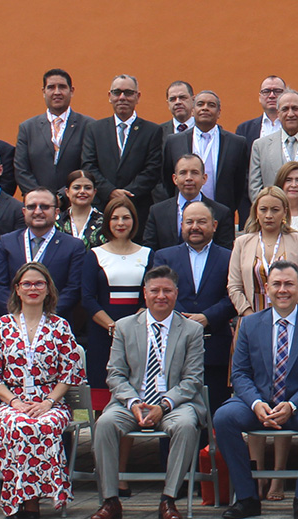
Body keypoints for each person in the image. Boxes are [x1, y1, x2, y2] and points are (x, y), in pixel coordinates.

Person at [214, 260, 298, 519]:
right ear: (267, 288)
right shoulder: (249, 324)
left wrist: (292, 404)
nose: (282, 290)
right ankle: (247, 498)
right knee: (224, 417)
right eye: (276, 284)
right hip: (257, 403)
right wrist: (256, 403)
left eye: (289, 284)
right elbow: (239, 373)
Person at [88, 266, 206, 519]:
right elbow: (115, 374)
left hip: (174, 404)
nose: (161, 296)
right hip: (131, 402)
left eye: (167, 290)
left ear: (176, 293)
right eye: (155, 290)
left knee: (186, 426)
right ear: (145, 293)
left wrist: (162, 406)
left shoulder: (191, 330)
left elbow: (193, 380)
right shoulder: (124, 327)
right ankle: (110, 500)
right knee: (105, 424)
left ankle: (169, 499)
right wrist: (133, 403)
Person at [0, 263, 86, 518]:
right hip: (10, 401)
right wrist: (14, 402)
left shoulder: (60, 326)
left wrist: (48, 402)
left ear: (48, 289)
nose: (33, 288)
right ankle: (27, 502)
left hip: (50, 401)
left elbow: (70, 373)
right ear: (17, 289)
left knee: (43, 424)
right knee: (18, 424)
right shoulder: (2, 325)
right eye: (27, 284)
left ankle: (29, 500)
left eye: (39, 283)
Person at [151, 201, 236, 412]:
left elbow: (233, 295)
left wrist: (207, 317)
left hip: (215, 344)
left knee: (215, 409)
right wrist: (183, 318)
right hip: (173, 345)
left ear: (214, 225)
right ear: (181, 225)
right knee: (175, 411)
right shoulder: (164, 256)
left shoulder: (230, 257)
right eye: (189, 222)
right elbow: (159, 293)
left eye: (201, 222)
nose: (195, 227)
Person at [81, 196, 151, 412]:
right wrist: (113, 327)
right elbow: (88, 298)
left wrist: (132, 328)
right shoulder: (95, 255)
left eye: (126, 218)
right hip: (103, 333)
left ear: (134, 221)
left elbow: (149, 296)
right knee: (103, 394)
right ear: (107, 222)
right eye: (115, 218)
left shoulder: (148, 254)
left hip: (139, 332)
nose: (121, 223)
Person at [80, 75, 164, 235]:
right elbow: (88, 166)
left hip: (138, 210)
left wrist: (127, 194)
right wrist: (110, 192)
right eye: (117, 92)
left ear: (137, 97)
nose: (122, 97)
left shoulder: (152, 131)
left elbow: (153, 169)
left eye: (128, 93)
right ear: (109, 96)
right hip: (102, 208)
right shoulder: (94, 129)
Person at [0, 187, 87, 315]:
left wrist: (44, 315)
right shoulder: (7, 242)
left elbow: (74, 289)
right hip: (15, 319)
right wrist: (18, 314)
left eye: (45, 207)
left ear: (56, 212)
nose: (38, 211)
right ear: (24, 211)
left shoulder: (73, 246)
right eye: (31, 207)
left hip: (54, 319)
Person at [229, 186, 298, 317]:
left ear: (285, 212)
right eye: (263, 209)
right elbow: (234, 286)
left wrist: (289, 315)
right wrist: (250, 316)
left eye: (275, 210)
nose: (269, 215)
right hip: (251, 317)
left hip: (290, 319)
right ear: (256, 212)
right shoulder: (242, 243)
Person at [161, 90, 250, 219]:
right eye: (200, 104)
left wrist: (227, 209)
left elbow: (239, 184)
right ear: (192, 110)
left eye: (211, 105)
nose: (205, 108)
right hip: (183, 216)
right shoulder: (174, 141)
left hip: (221, 216)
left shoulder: (236, 143)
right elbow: (168, 181)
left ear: (219, 112)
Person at [15, 69, 96, 195]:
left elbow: (90, 167)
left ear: (71, 91)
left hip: (76, 200)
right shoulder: (28, 128)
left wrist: (63, 196)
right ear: (44, 92)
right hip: (38, 202)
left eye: (62, 87)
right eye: (51, 87)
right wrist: (43, 197)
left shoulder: (89, 126)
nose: (57, 92)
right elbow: (21, 169)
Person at [146, 154, 234, 250]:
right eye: (183, 173)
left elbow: (225, 252)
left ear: (204, 178)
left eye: (194, 173)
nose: (189, 178)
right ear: (175, 179)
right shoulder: (157, 212)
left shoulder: (221, 213)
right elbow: (150, 250)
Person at [235, 75, 298, 149]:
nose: (271, 96)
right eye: (266, 91)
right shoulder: (245, 129)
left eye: (277, 91)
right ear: (259, 97)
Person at [55, 170, 107, 248]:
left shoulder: (105, 222)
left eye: (88, 188)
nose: (82, 191)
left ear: (94, 192)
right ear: (67, 192)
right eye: (77, 188)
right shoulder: (57, 222)